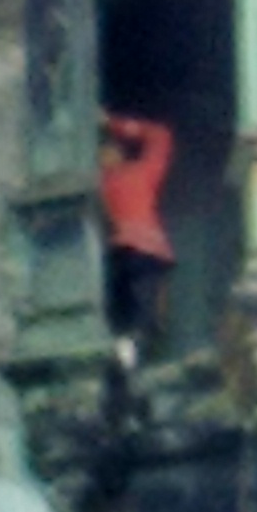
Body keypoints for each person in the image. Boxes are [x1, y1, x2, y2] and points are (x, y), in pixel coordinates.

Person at [98, 112, 176, 361]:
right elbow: (160, 137)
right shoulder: (104, 181)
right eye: (103, 152)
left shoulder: (138, 173)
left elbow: (160, 137)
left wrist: (113, 124)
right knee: (132, 316)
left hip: (138, 252)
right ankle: (129, 354)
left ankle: (132, 353)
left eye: (111, 149)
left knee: (138, 315)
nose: (107, 156)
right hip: (134, 252)